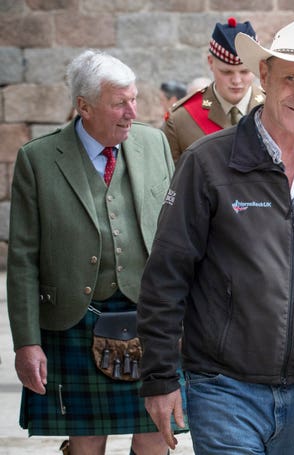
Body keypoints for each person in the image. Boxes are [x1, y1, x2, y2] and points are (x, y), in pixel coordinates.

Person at [136, 12, 294, 454]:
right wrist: (159, 376)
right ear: (264, 75)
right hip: (221, 386)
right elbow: (166, 274)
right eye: (290, 79)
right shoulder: (207, 162)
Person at [6, 49, 178, 455]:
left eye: (134, 99)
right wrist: (26, 343)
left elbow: (175, 238)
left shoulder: (154, 144)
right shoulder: (39, 159)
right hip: (74, 318)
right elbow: (23, 259)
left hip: (150, 315)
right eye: (119, 102)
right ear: (83, 106)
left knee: (158, 431)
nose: (132, 112)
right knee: (86, 441)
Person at [163, 17, 265, 163]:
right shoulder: (181, 119)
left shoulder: (274, 109)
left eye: (244, 72)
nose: (236, 81)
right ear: (210, 62)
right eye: (226, 72)